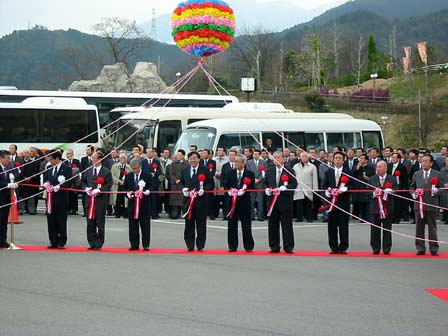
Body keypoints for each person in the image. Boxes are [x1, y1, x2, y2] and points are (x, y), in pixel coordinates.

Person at [410, 154, 445, 256]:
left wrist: (437, 191)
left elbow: (442, 188)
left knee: (432, 227)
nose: (423, 163)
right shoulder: (417, 174)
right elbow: (412, 186)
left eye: (426, 161)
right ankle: (420, 248)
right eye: (422, 161)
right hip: (419, 205)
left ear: (431, 163)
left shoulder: (437, 174)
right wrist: (414, 193)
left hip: (431, 204)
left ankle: (434, 248)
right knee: (419, 227)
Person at [265, 151, 297, 253]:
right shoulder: (269, 171)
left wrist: (286, 187)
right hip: (272, 202)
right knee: (273, 225)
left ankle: (288, 246)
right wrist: (267, 190)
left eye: (278, 157)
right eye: (274, 157)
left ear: (283, 159)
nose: (276, 159)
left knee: (287, 225)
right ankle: (274, 246)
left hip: (285, 201)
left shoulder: (289, 170)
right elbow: (265, 183)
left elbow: (294, 184)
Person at [180, 151, 213, 252]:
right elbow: (181, 182)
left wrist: (204, 190)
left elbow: (210, 183)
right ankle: (190, 245)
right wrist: (183, 189)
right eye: (190, 158)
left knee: (201, 224)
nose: (192, 160)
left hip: (201, 201)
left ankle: (200, 245)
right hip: (188, 201)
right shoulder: (185, 170)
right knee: (188, 224)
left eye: (194, 158)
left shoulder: (205, 170)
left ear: (199, 159)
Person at [224, 154, 255, 252]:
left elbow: (252, 187)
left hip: (244, 202)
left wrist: (244, 191)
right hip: (232, 202)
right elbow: (226, 185)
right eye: (235, 161)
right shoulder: (230, 173)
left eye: (237, 161)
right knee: (232, 225)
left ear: (243, 163)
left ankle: (248, 246)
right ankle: (232, 246)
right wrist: (230, 191)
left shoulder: (250, 174)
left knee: (246, 225)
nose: (235, 163)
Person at [82, 151, 113, 250]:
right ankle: (92, 241)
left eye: (94, 157)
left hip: (100, 201)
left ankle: (99, 242)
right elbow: (83, 181)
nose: (92, 159)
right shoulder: (88, 170)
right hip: (89, 200)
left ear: (99, 159)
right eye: (92, 158)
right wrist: (85, 188)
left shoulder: (106, 171)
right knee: (90, 222)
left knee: (99, 222)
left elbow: (108, 184)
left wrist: (99, 190)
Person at [322, 151, 351, 254]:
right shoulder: (328, 172)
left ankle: (343, 247)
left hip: (343, 203)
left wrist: (346, 189)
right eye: (336, 158)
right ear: (333, 160)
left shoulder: (348, 172)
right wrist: (328, 192)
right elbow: (324, 186)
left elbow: (354, 185)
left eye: (339, 158)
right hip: (331, 204)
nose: (337, 160)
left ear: (343, 160)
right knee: (332, 226)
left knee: (343, 225)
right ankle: (333, 247)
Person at [44, 151, 73, 249]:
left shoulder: (67, 168)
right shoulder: (49, 168)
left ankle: (62, 241)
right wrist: (46, 184)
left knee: (61, 220)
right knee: (51, 220)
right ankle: (53, 241)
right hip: (50, 198)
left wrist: (60, 186)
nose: (50, 161)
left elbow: (69, 182)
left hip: (61, 198)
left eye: (51, 159)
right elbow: (47, 179)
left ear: (57, 159)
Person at [368, 161, 397, 255]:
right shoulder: (372, 179)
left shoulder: (392, 179)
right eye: (377, 167)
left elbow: (397, 189)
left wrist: (391, 191)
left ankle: (386, 248)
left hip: (388, 208)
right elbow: (367, 191)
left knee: (387, 229)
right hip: (375, 208)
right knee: (374, 229)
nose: (378, 169)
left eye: (380, 167)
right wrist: (373, 193)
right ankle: (375, 248)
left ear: (386, 168)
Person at [124, 159, 152, 251]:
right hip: (132, 205)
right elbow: (124, 188)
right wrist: (127, 193)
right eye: (133, 169)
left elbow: (152, 185)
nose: (135, 170)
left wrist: (148, 191)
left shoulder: (147, 175)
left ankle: (146, 245)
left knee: (145, 226)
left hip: (144, 205)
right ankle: (134, 244)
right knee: (132, 226)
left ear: (140, 167)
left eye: (136, 168)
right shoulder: (128, 176)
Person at [0, 150, 19, 249]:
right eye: (7, 158)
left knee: (4, 222)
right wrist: (7, 185)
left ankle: (3, 241)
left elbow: (12, 179)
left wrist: (13, 183)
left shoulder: (7, 169)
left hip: (6, 198)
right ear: (1, 158)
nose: (9, 160)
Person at [293, 152, 318, 223]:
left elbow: (315, 179)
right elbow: (293, 177)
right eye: (302, 156)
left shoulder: (312, 167)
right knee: (299, 204)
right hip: (298, 187)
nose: (304, 158)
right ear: (300, 157)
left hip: (308, 188)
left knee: (309, 204)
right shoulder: (295, 166)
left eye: (305, 156)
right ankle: (299, 218)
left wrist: (315, 190)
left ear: (308, 157)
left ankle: (310, 218)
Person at [388, 153, 409, 223]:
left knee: (398, 204)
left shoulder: (402, 167)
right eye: (392, 157)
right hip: (390, 187)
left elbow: (405, 178)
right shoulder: (389, 165)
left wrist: (404, 188)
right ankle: (391, 218)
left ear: (398, 159)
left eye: (394, 157)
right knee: (391, 203)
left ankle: (397, 218)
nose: (392, 159)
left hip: (399, 188)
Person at [353, 154, 375, 222]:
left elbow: (374, 177)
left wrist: (368, 179)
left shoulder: (370, 168)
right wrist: (357, 167)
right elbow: (352, 174)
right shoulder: (357, 167)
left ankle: (368, 217)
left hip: (367, 187)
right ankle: (362, 217)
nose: (360, 160)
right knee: (360, 203)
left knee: (367, 203)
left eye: (362, 158)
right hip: (359, 187)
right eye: (360, 158)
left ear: (366, 160)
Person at [246, 149, 266, 221]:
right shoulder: (248, 162)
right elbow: (247, 172)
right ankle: (251, 216)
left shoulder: (263, 162)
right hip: (251, 183)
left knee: (260, 201)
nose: (255, 155)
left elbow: (264, 173)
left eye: (257, 154)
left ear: (259, 155)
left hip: (260, 184)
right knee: (251, 200)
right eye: (254, 154)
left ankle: (260, 216)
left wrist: (259, 179)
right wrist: (253, 179)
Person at [168, 150, 188, 219]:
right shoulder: (173, 164)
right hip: (175, 184)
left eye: (179, 155)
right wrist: (176, 180)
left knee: (184, 200)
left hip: (184, 184)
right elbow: (171, 174)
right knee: (175, 200)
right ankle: (175, 214)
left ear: (183, 155)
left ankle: (185, 213)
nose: (178, 156)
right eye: (177, 155)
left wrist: (181, 179)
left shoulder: (187, 163)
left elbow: (187, 173)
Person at [142, 148, 161, 219]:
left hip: (154, 182)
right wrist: (148, 174)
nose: (149, 154)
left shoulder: (157, 161)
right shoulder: (143, 162)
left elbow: (159, 171)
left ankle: (154, 214)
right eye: (148, 152)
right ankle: (147, 213)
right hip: (146, 183)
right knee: (147, 200)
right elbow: (142, 171)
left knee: (154, 199)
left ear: (153, 153)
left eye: (151, 152)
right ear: (146, 153)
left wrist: (155, 174)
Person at [110, 154, 130, 218]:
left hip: (125, 186)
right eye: (121, 158)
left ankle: (125, 213)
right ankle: (117, 213)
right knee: (117, 200)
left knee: (125, 200)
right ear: (119, 159)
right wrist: (119, 181)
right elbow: (112, 176)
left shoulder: (129, 167)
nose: (123, 159)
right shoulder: (114, 166)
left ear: (126, 159)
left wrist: (125, 182)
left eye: (124, 158)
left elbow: (131, 176)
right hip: (116, 186)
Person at [212, 146, 228, 219]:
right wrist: (215, 173)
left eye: (221, 150)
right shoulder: (214, 159)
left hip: (223, 180)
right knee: (215, 198)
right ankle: (215, 214)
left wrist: (221, 174)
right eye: (218, 150)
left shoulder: (227, 159)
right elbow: (211, 168)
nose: (219, 152)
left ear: (224, 152)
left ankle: (225, 214)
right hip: (215, 180)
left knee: (224, 198)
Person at [200, 149, 216, 220]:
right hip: (200, 182)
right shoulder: (200, 161)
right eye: (203, 153)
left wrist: (206, 177)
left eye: (205, 153)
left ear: (209, 154)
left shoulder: (213, 162)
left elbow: (213, 172)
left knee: (210, 199)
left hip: (209, 182)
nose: (203, 154)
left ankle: (211, 214)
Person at [65, 149, 81, 215]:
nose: (68, 155)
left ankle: (74, 209)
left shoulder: (76, 161)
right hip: (68, 182)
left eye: (69, 153)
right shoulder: (64, 162)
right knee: (67, 196)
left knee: (74, 196)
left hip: (74, 182)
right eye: (67, 154)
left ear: (72, 154)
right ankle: (68, 209)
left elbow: (79, 169)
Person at [80, 145, 94, 217]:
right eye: (86, 150)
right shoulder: (83, 159)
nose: (87, 151)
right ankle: (85, 212)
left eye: (88, 150)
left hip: (93, 179)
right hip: (85, 179)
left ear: (92, 151)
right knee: (84, 197)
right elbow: (81, 169)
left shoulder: (95, 159)